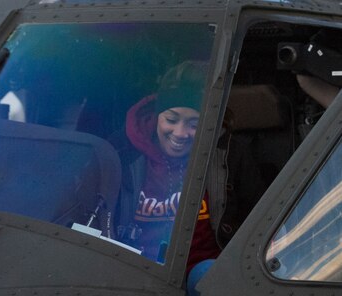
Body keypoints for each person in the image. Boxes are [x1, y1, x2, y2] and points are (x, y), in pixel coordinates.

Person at [113, 60, 265, 277]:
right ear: (157, 115)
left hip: (205, 274)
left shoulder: (230, 153)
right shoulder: (122, 152)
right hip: (136, 272)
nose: (180, 133)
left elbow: (257, 217)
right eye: (171, 120)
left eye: (194, 124)